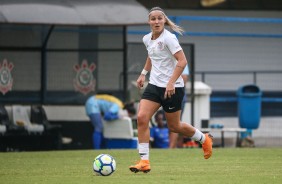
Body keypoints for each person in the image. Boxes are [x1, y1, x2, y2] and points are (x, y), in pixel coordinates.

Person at [129, 7, 213, 173]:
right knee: (141, 117)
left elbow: (182, 61)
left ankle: (204, 139)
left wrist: (171, 82)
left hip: (173, 89)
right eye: (153, 19)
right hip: (154, 86)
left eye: (160, 18)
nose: (156, 21)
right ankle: (144, 161)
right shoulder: (147, 39)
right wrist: (143, 74)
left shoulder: (169, 38)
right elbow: (151, 56)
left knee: (174, 126)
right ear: (149, 22)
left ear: (164, 20)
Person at [169, 65, 189, 148]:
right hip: (165, 94)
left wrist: (171, 82)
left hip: (177, 95)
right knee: (170, 123)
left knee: (175, 123)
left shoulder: (181, 59)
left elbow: (184, 79)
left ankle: (171, 147)